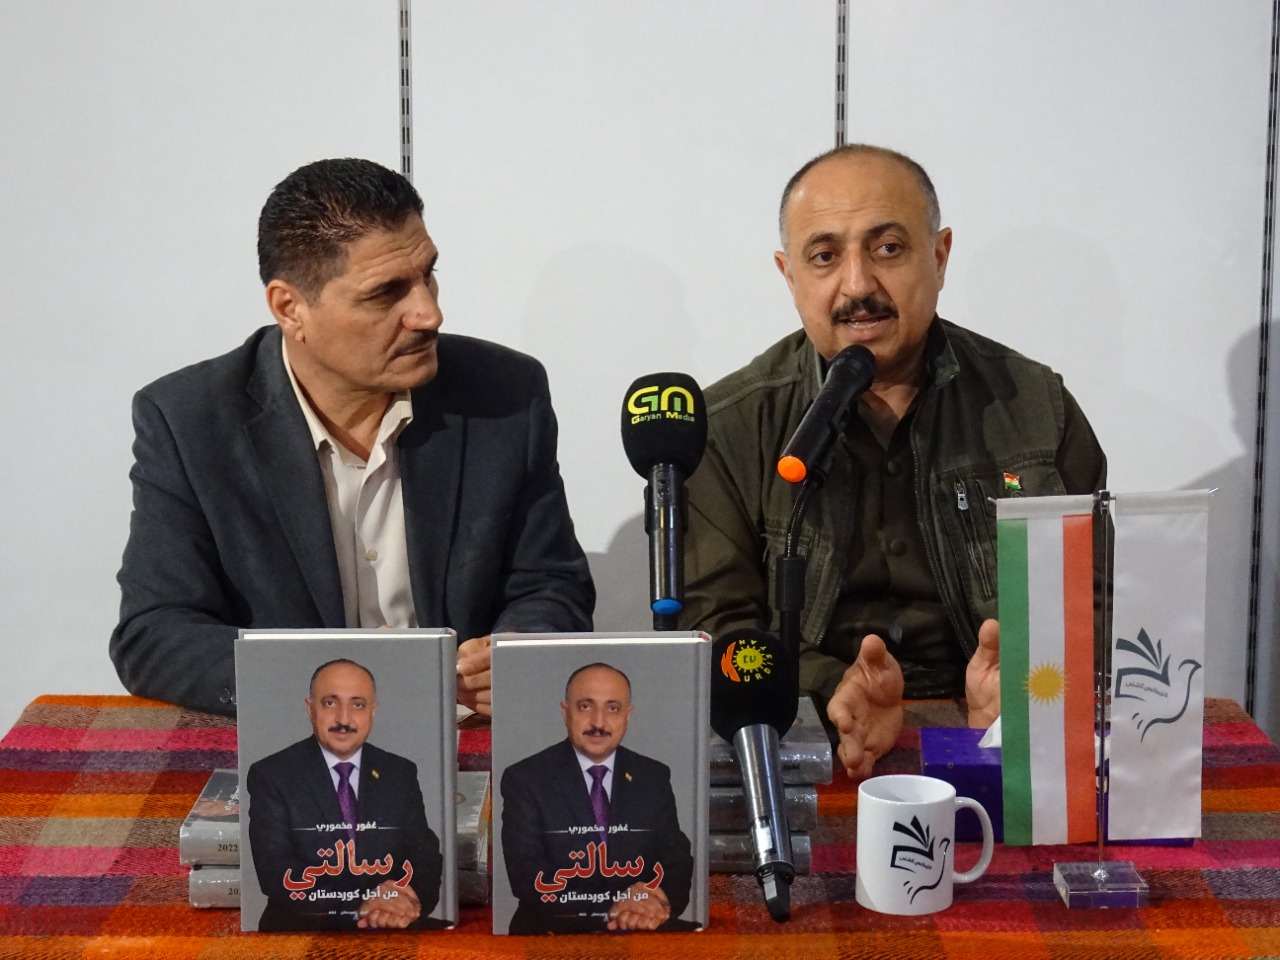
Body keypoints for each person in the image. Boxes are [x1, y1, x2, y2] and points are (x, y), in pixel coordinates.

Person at [679, 144, 1106, 781]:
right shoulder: (729, 428)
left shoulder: (1036, 407)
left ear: (940, 256)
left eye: (887, 248)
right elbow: (714, 632)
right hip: (812, 734)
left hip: (998, 730)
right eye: (824, 257)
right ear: (789, 276)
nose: (857, 285)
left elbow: (1095, 602)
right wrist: (831, 687)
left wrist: (1026, 683)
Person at [110, 158, 594, 717]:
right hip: (298, 737)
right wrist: (332, 683)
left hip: (467, 734)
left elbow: (551, 586)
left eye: (428, 274)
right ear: (290, 308)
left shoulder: (504, 394)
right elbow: (155, 634)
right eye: (386, 293)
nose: (429, 313)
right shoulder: (188, 420)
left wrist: (517, 654)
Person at [246, 659, 444, 931]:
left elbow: (424, 854)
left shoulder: (399, 772)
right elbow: (276, 869)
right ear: (310, 709)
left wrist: (407, 900)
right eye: (330, 703)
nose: (344, 719)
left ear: (373, 711)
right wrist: (359, 905)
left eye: (358, 705)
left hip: (390, 925)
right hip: (304, 929)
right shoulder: (272, 775)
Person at [499, 663, 696, 934]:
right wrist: (612, 907)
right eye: (585, 707)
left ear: (628, 714)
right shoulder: (525, 778)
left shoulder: (652, 775)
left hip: (640, 930)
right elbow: (528, 875)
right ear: (565, 712)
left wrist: (657, 902)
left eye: (613, 708)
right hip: (554, 935)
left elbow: (676, 859)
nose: (599, 723)